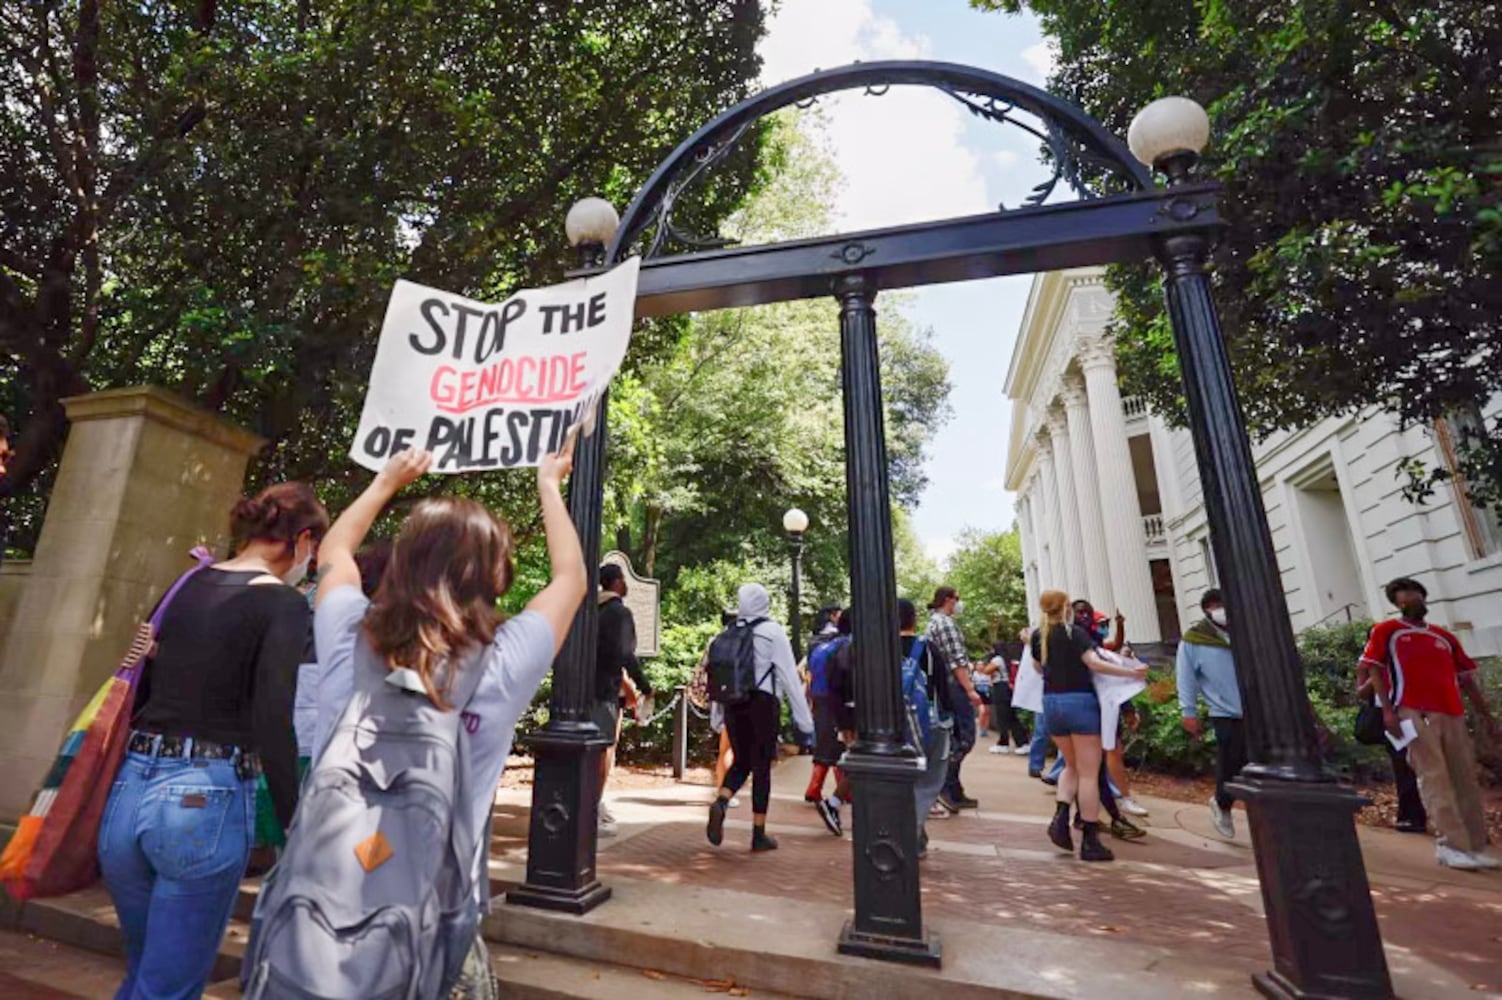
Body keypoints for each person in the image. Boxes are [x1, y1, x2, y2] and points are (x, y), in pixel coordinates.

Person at [309, 443, 585, 992]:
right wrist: (550, 484)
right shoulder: (504, 662)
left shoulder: (345, 635)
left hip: (326, 891)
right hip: (436, 903)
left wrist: (387, 481)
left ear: (401, 562)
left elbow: (333, 552)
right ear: (495, 574)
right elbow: (571, 578)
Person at [99, 481, 328, 998]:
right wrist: (295, 820)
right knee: (168, 985)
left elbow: (150, 686)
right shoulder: (283, 605)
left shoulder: (185, 585)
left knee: (143, 973)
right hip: (205, 798)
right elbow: (273, 717)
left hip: (130, 789)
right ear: (304, 539)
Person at [1360, 577, 1500, 870]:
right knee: (1435, 776)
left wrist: (1486, 717)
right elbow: (1374, 668)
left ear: (1424, 597)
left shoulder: (1443, 636)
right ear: (1396, 603)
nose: (1410, 599)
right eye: (1403, 596)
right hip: (1412, 710)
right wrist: (1388, 712)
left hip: (1451, 711)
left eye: (1414, 593)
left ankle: (1476, 844)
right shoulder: (1388, 631)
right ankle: (1451, 845)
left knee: (1464, 778)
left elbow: (1466, 679)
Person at [1032, 590, 1148, 863]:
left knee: (1070, 766)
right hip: (1080, 702)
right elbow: (1094, 663)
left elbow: (1038, 668)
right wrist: (1132, 672)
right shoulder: (1075, 634)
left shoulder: (1039, 636)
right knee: (1088, 773)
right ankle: (1090, 839)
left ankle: (1061, 817)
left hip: (1051, 703)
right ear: (1065, 607)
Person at [706, 583, 815, 852]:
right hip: (763, 704)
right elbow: (790, 677)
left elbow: (718, 678)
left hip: (734, 704)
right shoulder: (772, 632)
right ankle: (758, 832)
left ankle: (721, 801)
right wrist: (805, 723)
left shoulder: (727, 632)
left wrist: (717, 716)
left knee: (741, 760)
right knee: (762, 765)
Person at [1177, 588, 1245, 840]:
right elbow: (1186, 677)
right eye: (1214, 606)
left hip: (1256, 710)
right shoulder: (1195, 640)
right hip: (1224, 712)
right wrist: (1188, 711)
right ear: (1206, 610)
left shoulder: (1244, 632)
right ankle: (1222, 802)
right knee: (1231, 760)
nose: (1219, 610)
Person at [1072, 600, 1148, 818]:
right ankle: (1117, 803)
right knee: (1098, 758)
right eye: (1080, 613)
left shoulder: (1088, 642)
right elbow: (1104, 671)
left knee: (1092, 762)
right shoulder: (1083, 643)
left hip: (1091, 704)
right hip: (1089, 705)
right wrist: (1131, 675)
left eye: (1087, 613)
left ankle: (1094, 813)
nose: (1084, 617)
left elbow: (1107, 674)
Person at [595, 562, 653, 836]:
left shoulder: (590, 610)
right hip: (606, 691)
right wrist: (644, 686)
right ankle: (593, 809)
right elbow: (625, 654)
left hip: (583, 690)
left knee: (591, 751)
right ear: (617, 582)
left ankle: (592, 805)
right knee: (605, 750)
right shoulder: (619, 613)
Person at [925, 586, 983, 812]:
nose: (959, 603)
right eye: (957, 599)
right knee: (963, 737)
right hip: (953, 686)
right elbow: (956, 660)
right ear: (948, 600)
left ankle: (953, 789)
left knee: (953, 735)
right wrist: (970, 689)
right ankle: (947, 788)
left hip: (942, 687)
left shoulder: (933, 623)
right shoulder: (946, 624)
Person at [1356, 668, 1427, 834]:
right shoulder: (1367, 663)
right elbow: (1361, 693)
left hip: (1414, 710)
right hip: (1390, 716)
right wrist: (1375, 678)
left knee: (1419, 764)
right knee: (1402, 764)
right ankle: (1410, 816)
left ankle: (1419, 815)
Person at [804, 611, 850, 808]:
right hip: (836, 697)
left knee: (825, 741)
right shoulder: (845, 644)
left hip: (819, 696)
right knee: (839, 745)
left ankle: (815, 788)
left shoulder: (818, 643)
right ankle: (843, 791)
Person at [985, 639, 1031, 755]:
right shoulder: (1008, 658)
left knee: (1002, 717)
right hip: (1009, 689)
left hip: (1000, 688)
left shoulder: (997, 659)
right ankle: (1023, 742)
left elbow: (986, 670)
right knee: (1012, 717)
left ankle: (1003, 743)